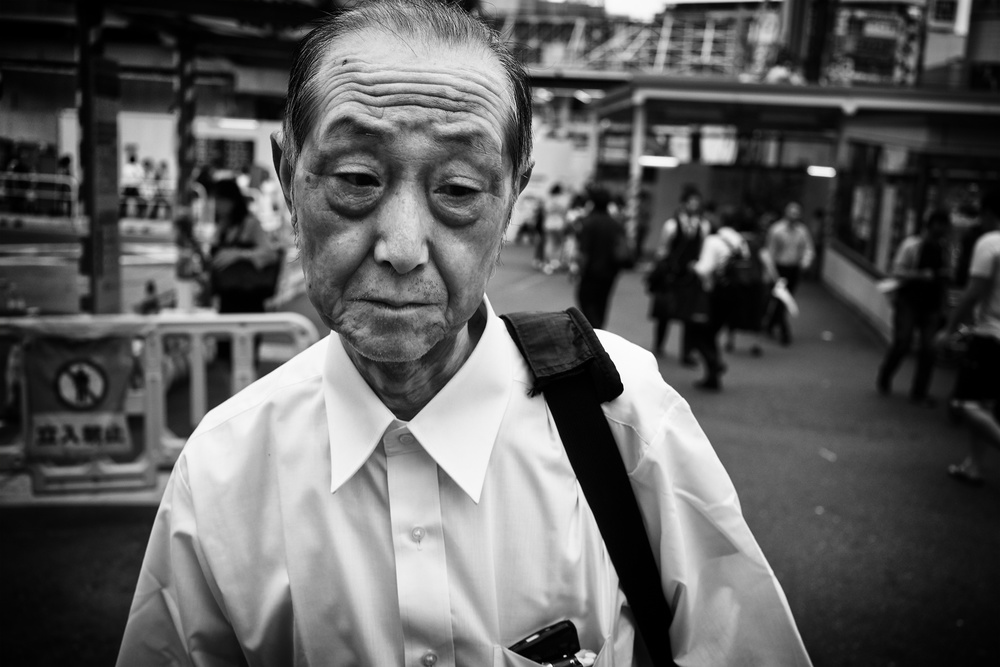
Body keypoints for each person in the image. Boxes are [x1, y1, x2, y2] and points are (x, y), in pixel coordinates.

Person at [117, 2, 812, 665]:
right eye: (357, 177)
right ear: (286, 174)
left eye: (457, 189)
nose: (402, 246)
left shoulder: (625, 418)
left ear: (513, 194)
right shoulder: (224, 468)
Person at [937, 190, 1000, 486]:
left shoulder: (990, 243)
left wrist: (949, 329)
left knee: (964, 403)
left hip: (990, 335)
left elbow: (972, 292)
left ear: (988, 213)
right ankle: (974, 465)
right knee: (983, 403)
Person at [876, 210, 951, 404]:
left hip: (932, 304)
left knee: (929, 348)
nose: (941, 231)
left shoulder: (945, 249)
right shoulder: (912, 245)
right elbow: (897, 271)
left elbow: (945, 278)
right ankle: (886, 374)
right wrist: (920, 275)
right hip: (909, 300)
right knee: (903, 341)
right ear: (930, 226)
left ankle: (919, 391)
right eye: (939, 226)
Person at [647, 184, 710, 363]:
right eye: (691, 202)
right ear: (683, 204)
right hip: (671, 275)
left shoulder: (703, 226)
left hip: (690, 276)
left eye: (697, 203)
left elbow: (703, 250)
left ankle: (687, 352)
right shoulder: (671, 225)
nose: (694, 206)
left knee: (689, 315)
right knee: (664, 312)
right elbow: (663, 249)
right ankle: (658, 345)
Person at [208, 178, 282, 316]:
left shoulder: (250, 224)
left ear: (232, 200)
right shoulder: (222, 226)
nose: (217, 205)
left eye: (220, 200)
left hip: (249, 297)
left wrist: (238, 254)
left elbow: (269, 254)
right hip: (225, 296)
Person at [574, 185, 627, 329]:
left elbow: (583, 252)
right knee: (602, 303)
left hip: (591, 272)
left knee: (586, 301)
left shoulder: (588, 223)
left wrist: (578, 270)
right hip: (610, 273)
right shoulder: (615, 224)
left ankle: (594, 331)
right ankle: (599, 331)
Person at [764, 201, 815, 345]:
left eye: (797, 213)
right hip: (779, 269)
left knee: (786, 299)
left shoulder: (802, 231)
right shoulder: (777, 230)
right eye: (791, 212)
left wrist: (805, 262)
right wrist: (771, 273)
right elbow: (770, 252)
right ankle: (784, 333)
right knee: (782, 300)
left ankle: (769, 324)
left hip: (794, 269)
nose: (794, 215)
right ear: (786, 213)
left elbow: (808, 249)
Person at [542, 183, 571, 273]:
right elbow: (565, 211)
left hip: (549, 223)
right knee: (558, 243)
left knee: (549, 243)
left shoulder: (548, 199)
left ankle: (548, 262)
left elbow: (544, 211)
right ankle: (555, 262)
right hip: (559, 223)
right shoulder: (563, 199)